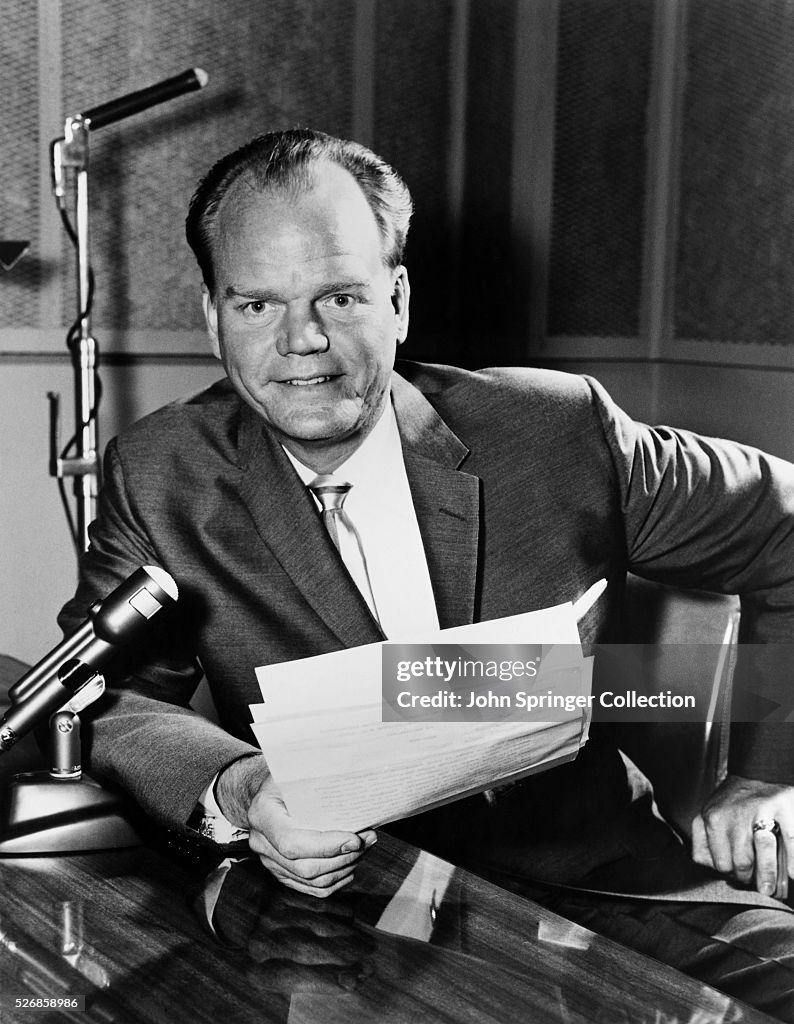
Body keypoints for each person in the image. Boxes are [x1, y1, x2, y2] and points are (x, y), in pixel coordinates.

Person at [59, 128, 794, 1017]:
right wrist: (244, 789)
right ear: (213, 315)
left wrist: (766, 769)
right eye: (256, 305)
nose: (302, 341)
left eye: (340, 296)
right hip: (332, 921)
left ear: (398, 302)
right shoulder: (162, 471)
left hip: (606, 890)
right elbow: (102, 697)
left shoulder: (557, 431)